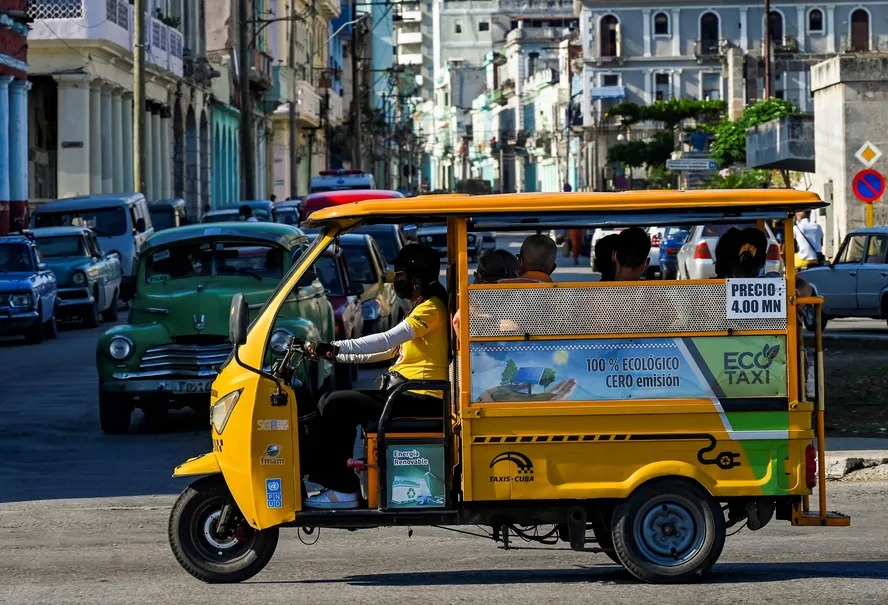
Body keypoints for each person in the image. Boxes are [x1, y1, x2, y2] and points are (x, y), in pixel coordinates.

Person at [304, 244, 449, 509]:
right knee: (327, 400)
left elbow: (385, 340)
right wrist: (335, 356)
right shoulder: (421, 306)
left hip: (421, 396)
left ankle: (344, 489)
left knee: (338, 404)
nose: (396, 279)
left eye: (401, 274)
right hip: (407, 393)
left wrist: (337, 346)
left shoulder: (432, 308)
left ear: (416, 278)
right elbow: (387, 352)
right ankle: (334, 481)